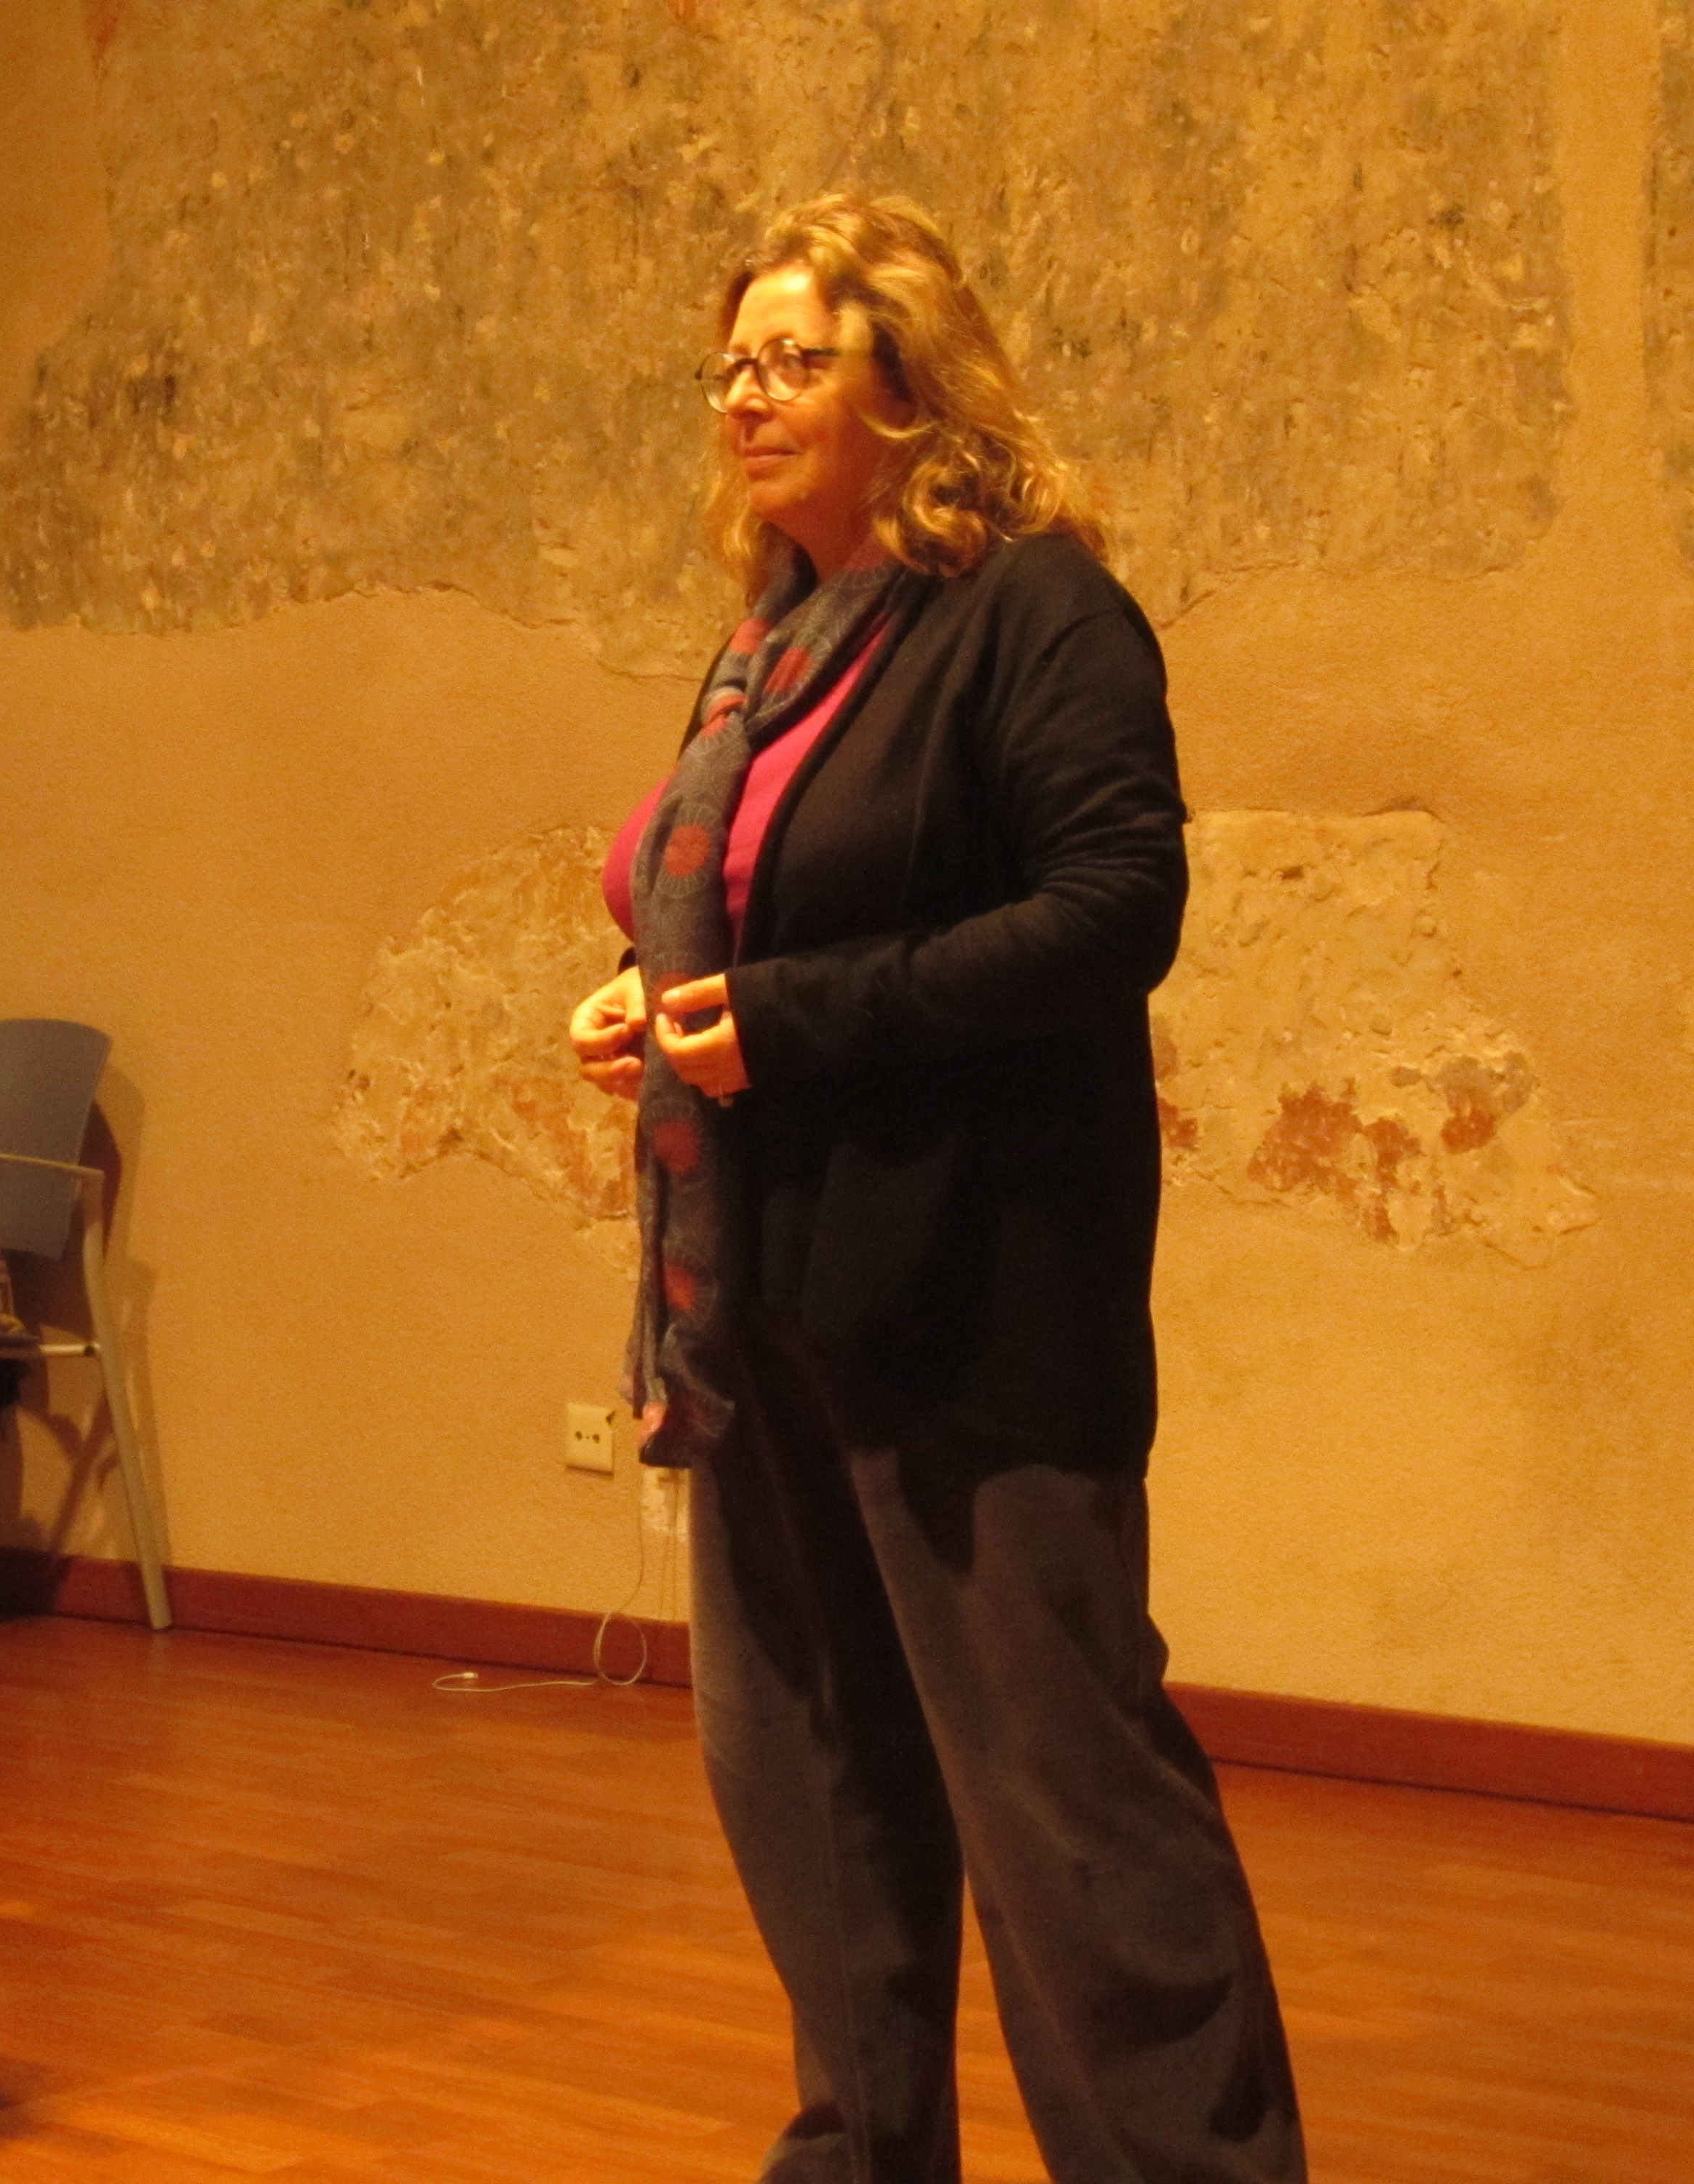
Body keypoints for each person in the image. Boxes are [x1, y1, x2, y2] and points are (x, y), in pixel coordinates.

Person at [569, 194, 1305, 2183]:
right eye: (731, 365)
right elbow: (744, 902)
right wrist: (652, 992)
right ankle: (859, 2154)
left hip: (970, 1307)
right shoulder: (769, 645)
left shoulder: (1033, 614)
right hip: (759, 1302)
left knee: (1069, 1815)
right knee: (808, 1779)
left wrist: (783, 1021)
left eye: (794, 360)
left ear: (913, 385)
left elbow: (1111, 911)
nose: (747, 397)